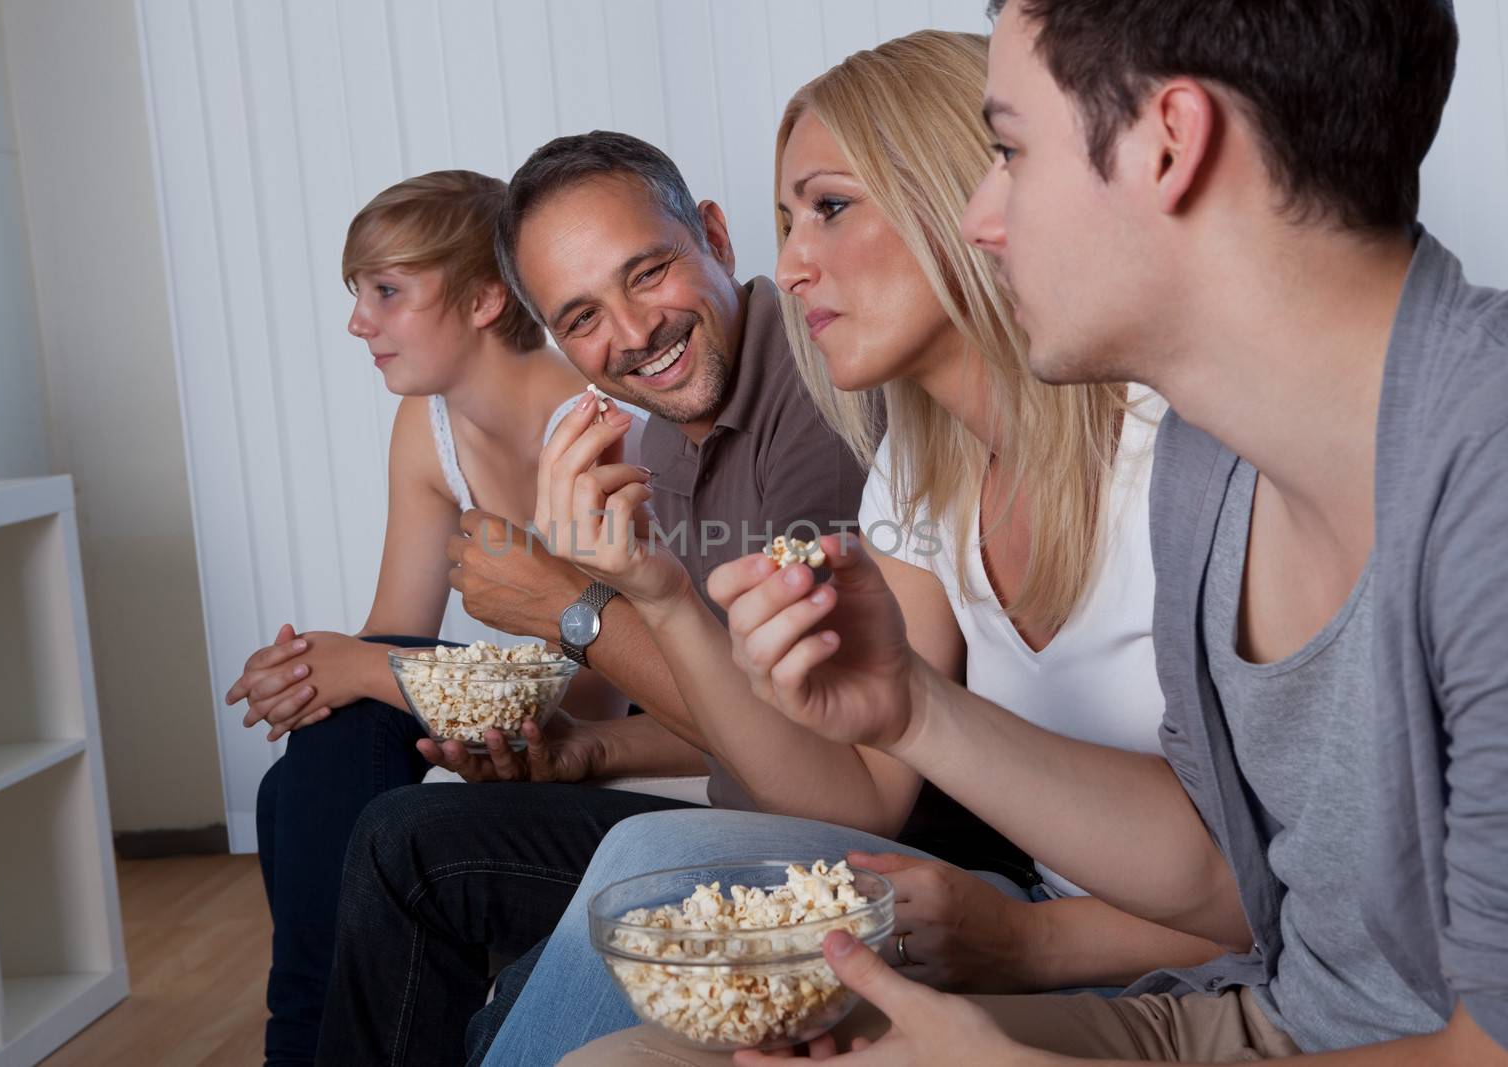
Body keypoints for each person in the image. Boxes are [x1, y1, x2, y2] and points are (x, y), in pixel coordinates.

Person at [590, 0, 1508, 1063]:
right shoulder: (1213, 464)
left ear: (1170, 142)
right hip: (1273, 1015)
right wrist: (912, 705)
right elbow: (1230, 876)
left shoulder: (1462, 465)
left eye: (1010, 151)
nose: (983, 217)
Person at [483, 30, 1220, 1065]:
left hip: (1184, 962)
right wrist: (651, 587)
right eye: (787, 221)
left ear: (965, 196)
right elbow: (854, 788)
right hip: (1044, 926)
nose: (787, 265)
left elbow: (1298, 882)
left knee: (634, 865)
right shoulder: (918, 473)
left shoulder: (1183, 450)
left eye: (829, 207)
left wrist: (1030, 937)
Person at [313, 133, 917, 1067]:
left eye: (648, 273)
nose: (633, 335)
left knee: (454, 916)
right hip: (749, 808)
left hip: (823, 849)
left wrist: (577, 608)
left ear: (714, 234)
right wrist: (589, 748)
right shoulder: (672, 432)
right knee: (398, 830)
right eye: (583, 315)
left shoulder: (814, 394)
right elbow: (728, 702)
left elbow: (821, 751)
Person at [227, 169, 646, 1066]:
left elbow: (605, 693)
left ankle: (298, 1051)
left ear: (488, 297)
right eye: (357, 293)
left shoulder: (596, 419)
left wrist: (354, 666)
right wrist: (315, 669)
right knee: (305, 770)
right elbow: (396, 634)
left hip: (640, 719)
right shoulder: (431, 425)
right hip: (553, 706)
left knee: (322, 756)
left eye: (386, 291)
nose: (357, 322)